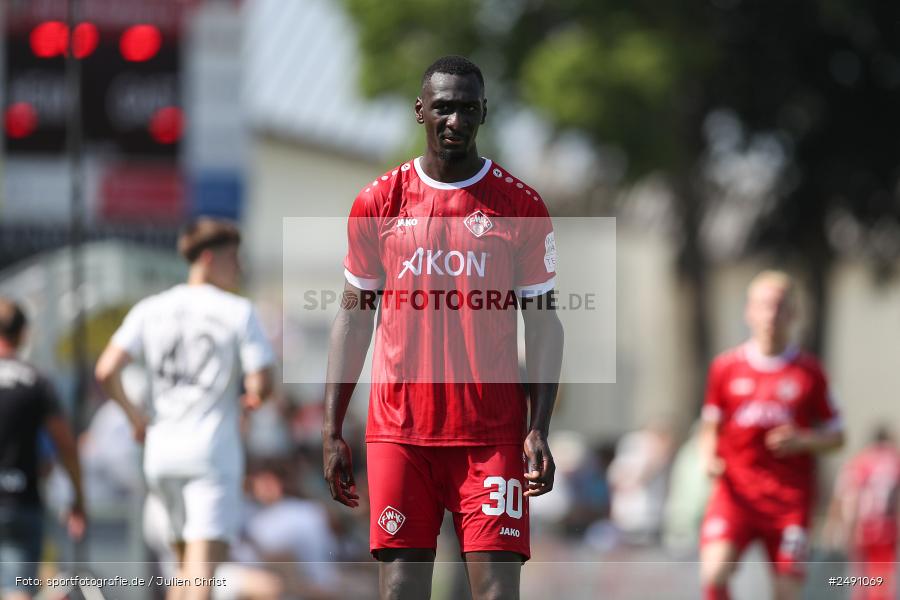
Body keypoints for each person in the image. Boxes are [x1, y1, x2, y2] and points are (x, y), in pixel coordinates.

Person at [322, 55, 564, 600]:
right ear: (420, 112)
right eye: (443, 108)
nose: (455, 121)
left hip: (492, 436)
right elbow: (353, 317)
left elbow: (545, 322)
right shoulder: (379, 201)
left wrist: (538, 425)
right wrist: (331, 428)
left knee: (496, 592)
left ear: (484, 113)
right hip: (400, 432)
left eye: (468, 109)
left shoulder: (520, 205)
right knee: (401, 590)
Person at [95, 218, 275, 600]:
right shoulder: (238, 310)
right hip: (210, 457)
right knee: (201, 580)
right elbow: (262, 380)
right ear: (208, 258)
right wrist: (255, 395)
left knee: (183, 575)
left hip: (161, 458)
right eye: (233, 258)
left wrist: (135, 418)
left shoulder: (151, 308)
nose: (239, 268)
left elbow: (106, 369)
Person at [699, 270, 844, 600]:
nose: (771, 314)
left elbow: (837, 436)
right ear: (748, 311)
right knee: (715, 570)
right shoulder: (726, 367)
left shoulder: (810, 372)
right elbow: (710, 426)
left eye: (779, 306)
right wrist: (708, 458)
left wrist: (804, 440)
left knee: (787, 592)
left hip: (788, 502)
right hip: (736, 495)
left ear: (793, 314)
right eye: (763, 306)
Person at [0, 298, 86, 600]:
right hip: (20, 501)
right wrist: (78, 498)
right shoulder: (36, 380)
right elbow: (66, 446)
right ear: (23, 334)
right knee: (17, 590)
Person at [823, 426, 900, 600]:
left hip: (863, 528)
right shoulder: (895, 461)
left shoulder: (859, 462)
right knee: (882, 582)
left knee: (861, 582)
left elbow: (845, 496)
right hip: (886, 529)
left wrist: (837, 529)